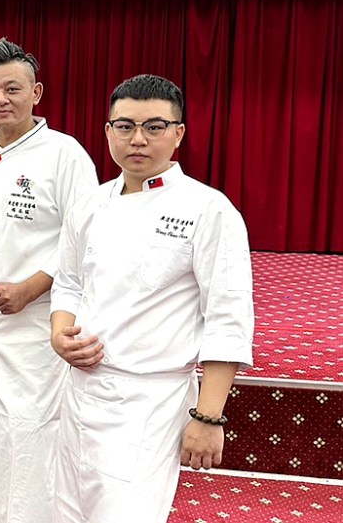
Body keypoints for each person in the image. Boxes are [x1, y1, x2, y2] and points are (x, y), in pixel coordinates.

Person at [49, 74, 254, 522]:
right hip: (81, 390)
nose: (138, 139)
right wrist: (60, 333)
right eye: (125, 126)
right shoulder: (90, 204)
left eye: (154, 127)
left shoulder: (208, 209)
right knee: (68, 511)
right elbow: (68, 282)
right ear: (108, 131)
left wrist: (209, 417)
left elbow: (228, 317)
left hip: (152, 400)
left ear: (178, 134)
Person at [0, 38, 98, 522]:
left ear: (37, 92)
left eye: (12, 88)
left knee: (33, 431)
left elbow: (84, 238)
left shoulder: (65, 154)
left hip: (37, 325)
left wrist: (30, 289)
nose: (1, 99)